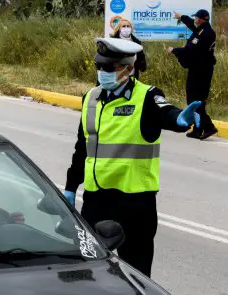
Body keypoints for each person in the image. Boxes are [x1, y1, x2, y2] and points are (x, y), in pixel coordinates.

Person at [64, 38, 201, 278]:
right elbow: (82, 148)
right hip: (96, 201)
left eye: (109, 68)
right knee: (86, 271)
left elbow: (165, 112)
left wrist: (180, 120)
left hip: (135, 204)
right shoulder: (91, 99)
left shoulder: (147, 97)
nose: (102, 73)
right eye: (99, 66)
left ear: (128, 68)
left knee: (135, 276)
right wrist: (70, 187)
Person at [167, 9, 218, 140]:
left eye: (196, 17)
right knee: (194, 99)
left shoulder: (205, 34)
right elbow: (191, 24)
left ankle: (208, 127)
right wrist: (181, 17)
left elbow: (190, 50)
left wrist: (174, 50)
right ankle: (198, 128)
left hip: (201, 71)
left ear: (201, 19)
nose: (194, 19)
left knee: (195, 100)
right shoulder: (202, 29)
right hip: (198, 69)